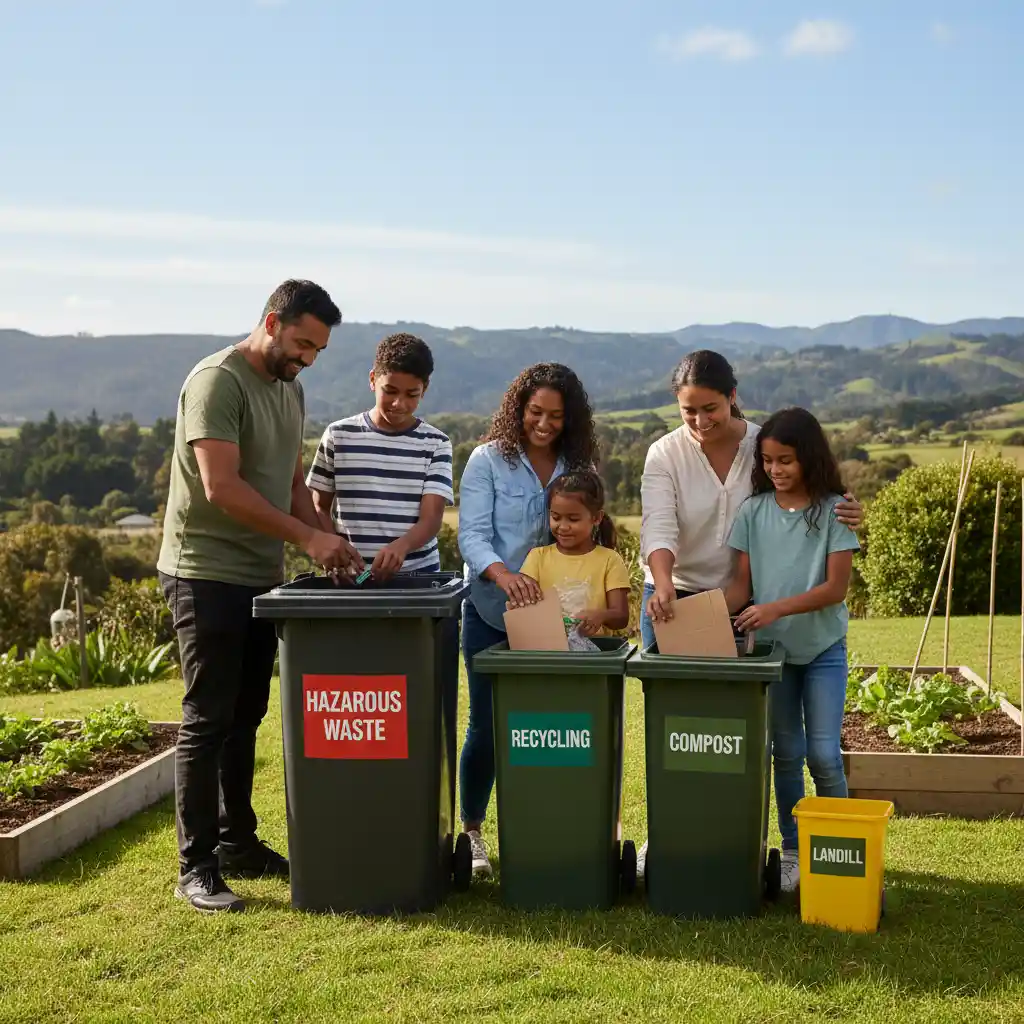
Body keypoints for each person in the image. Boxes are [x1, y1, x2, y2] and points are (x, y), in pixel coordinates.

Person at [158, 279, 359, 913]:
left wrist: (327, 537)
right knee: (207, 718)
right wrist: (305, 536)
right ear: (272, 322)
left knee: (245, 715)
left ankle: (237, 843)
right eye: (302, 343)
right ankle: (196, 867)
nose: (308, 358)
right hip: (204, 572)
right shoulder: (218, 381)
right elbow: (221, 486)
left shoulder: (289, 388)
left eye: (318, 350)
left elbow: (292, 482)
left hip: (259, 576)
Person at [637, 349, 862, 876]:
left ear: (733, 397)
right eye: (688, 410)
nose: (699, 421)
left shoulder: (765, 445)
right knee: (675, 736)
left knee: (737, 740)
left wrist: (848, 507)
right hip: (683, 599)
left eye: (710, 408)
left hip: (760, 616)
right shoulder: (665, 454)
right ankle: (667, 835)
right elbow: (659, 526)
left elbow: (811, 499)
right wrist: (666, 589)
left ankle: (805, 849)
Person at [457, 363, 599, 876]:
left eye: (555, 416)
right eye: (535, 412)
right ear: (518, 408)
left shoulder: (579, 465)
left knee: (551, 728)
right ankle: (472, 832)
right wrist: (503, 574)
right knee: (487, 726)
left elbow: (591, 533)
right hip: (490, 613)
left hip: (556, 622)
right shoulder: (488, 460)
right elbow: (471, 534)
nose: (543, 423)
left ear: (570, 418)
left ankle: (551, 826)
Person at [725, 407, 860, 893]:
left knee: (823, 755)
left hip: (823, 649)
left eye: (785, 460)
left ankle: (842, 848)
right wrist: (690, 612)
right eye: (767, 461)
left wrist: (773, 608)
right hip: (773, 655)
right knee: (786, 753)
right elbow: (740, 588)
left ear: (808, 457)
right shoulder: (752, 513)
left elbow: (835, 589)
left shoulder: (834, 511)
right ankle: (793, 851)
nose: (775, 469)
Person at [306, 333, 454, 577]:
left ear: (424, 389)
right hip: (352, 578)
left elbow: (431, 518)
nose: (399, 403)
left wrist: (402, 547)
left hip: (418, 578)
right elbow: (318, 505)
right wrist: (333, 551)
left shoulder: (436, 443)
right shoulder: (338, 435)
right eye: (390, 391)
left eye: (411, 395)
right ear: (373, 379)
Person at [509, 471, 631, 637]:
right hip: (545, 648)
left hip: (594, 650)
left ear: (596, 518)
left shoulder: (610, 560)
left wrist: (601, 616)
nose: (563, 527)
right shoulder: (537, 557)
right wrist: (518, 605)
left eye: (573, 519)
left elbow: (621, 617)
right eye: (556, 517)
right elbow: (524, 605)